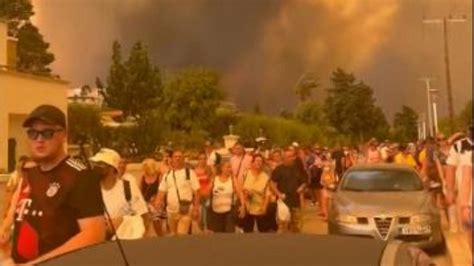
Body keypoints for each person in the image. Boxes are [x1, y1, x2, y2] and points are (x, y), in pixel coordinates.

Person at [0, 105, 106, 264]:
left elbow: (94, 234)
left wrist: (37, 264)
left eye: (47, 133)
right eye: (32, 133)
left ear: (63, 135)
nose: (39, 139)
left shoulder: (80, 175)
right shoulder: (30, 174)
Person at [90, 148, 149, 240]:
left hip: (122, 244)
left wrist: (121, 221)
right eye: (95, 163)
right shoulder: (91, 189)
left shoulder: (128, 188)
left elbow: (143, 216)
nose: (96, 167)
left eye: (100, 164)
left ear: (112, 167)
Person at [154, 149, 200, 236]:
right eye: (175, 157)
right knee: (173, 235)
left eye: (180, 157)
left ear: (183, 159)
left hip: (185, 210)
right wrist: (157, 204)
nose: (178, 159)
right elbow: (161, 192)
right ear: (171, 159)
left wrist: (196, 208)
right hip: (171, 211)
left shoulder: (189, 173)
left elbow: (196, 192)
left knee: (181, 234)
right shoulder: (167, 175)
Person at [445, 124, 472, 239]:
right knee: (470, 233)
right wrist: (450, 191)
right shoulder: (458, 146)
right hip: (468, 198)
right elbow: (450, 169)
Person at [270, 148, 307, 233]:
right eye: (286, 156)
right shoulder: (279, 169)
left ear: (293, 157)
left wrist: (301, 187)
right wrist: (278, 194)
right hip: (283, 201)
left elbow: (305, 181)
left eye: (290, 156)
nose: (288, 158)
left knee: (297, 226)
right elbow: (271, 183)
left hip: (295, 201)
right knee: (282, 225)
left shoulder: (299, 169)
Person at [206, 160, 245, 233]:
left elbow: (240, 193)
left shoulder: (233, 179)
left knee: (229, 235)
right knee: (218, 235)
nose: (230, 169)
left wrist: (243, 205)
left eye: (230, 167)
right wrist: (212, 177)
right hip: (216, 213)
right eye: (228, 167)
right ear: (222, 168)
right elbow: (207, 193)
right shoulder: (215, 179)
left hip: (229, 213)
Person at [242, 154, 271, 233]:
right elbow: (240, 190)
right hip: (247, 208)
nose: (259, 163)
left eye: (261, 161)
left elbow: (268, 194)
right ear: (252, 163)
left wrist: (265, 207)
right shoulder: (246, 174)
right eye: (257, 161)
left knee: (262, 232)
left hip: (260, 208)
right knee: (248, 232)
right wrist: (246, 194)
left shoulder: (265, 176)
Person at [140, 158, 164, 236]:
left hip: (156, 201)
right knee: (144, 223)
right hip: (145, 202)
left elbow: (161, 189)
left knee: (156, 220)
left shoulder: (159, 176)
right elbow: (139, 190)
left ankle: (161, 237)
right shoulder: (143, 176)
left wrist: (156, 199)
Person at [194, 151, 213, 232]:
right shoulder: (194, 171)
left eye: (204, 158)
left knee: (206, 216)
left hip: (207, 194)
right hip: (197, 195)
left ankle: (206, 230)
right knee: (200, 217)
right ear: (198, 160)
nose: (202, 160)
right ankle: (202, 229)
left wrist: (208, 191)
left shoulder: (210, 169)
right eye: (200, 159)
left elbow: (212, 181)